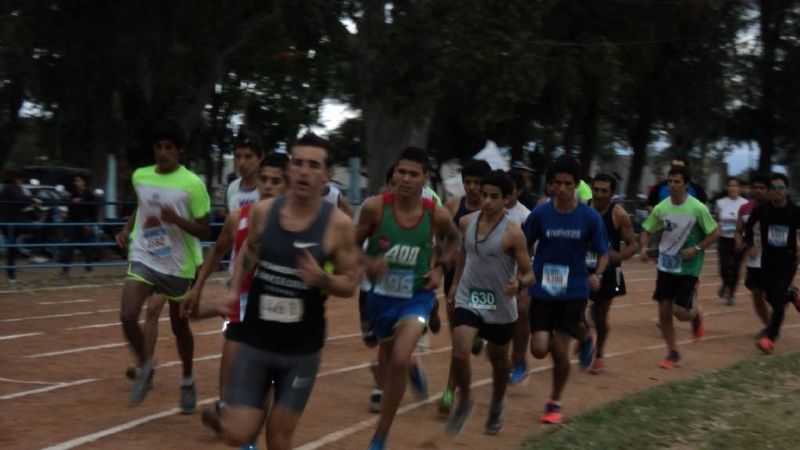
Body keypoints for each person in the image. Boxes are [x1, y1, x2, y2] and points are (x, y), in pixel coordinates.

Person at [213, 133, 360, 449]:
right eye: (298, 163)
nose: (304, 171)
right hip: (257, 339)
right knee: (238, 433)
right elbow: (249, 252)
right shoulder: (263, 213)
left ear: (327, 175)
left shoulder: (338, 225)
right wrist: (235, 289)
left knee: (278, 437)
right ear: (290, 169)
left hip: (301, 349)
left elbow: (350, 282)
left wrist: (324, 280)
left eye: (314, 165)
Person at [357, 147, 458, 450]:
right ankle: (389, 413)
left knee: (400, 358)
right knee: (389, 361)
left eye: (413, 174)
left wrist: (440, 268)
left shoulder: (435, 213)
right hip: (380, 299)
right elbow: (348, 246)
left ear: (425, 179)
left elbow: (453, 239)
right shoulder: (375, 208)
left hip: (417, 295)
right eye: (401, 172)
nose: (405, 178)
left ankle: (380, 435)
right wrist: (368, 262)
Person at [187, 153, 289, 441]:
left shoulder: (296, 224)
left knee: (265, 373)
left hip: (276, 306)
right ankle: (227, 410)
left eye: (276, 181)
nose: (268, 187)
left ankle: (243, 419)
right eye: (264, 181)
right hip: (241, 300)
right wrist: (197, 288)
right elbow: (218, 251)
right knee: (230, 357)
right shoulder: (239, 219)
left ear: (287, 185)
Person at [115, 121, 211, 410]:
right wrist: (126, 228)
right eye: (158, 147)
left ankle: (187, 378)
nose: (163, 152)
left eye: (169, 147)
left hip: (178, 265)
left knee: (179, 327)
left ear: (180, 150)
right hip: (145, 256)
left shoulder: (192, 184)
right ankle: (146, 366)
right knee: (128, 314)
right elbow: (142, 205)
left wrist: (178, 220)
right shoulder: (140, 176)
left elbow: (206, 231)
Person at [445, 170, 533, 436]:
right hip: (469, 296)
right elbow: (463, 253)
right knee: (460, 352)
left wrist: (519, 283)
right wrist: (455, 283)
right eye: (484, 195)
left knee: (498, 362)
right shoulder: (466, 222)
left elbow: (529, 272)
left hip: (500, 306)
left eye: (495, 197)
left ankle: (496, 405)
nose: (487, 201)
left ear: (507, 199)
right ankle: (466, 399)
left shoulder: (514, 233)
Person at [522, 156, 609, 424]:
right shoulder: (540, 214)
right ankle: (584, 336)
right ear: (551, 185)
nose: (561, 189)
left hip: (574, 290)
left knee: (559, 350)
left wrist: (599, 274)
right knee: (538, 349)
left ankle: (554, 401)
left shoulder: (589, 217)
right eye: (557, 183)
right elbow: (523, 245)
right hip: (543, 289)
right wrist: (524, 272)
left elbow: (603, 252)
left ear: (576, 185)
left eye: (567, 184)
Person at [639, 165, 718, 369]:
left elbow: (714, 232)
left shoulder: (698, 208)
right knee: (664, 310)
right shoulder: (662, 207)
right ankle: (672, 352)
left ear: (686, 184)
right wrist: (644, 247)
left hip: (689, 268)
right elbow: (647, 228)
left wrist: (697, 248)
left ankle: (696, 315)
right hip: (666, 266)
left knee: (680, 312)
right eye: (670, 181)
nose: (673, 185)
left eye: (677, 182)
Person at [439, 158, 491, 412]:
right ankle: (450, 389)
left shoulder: (492, 211)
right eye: (467, 182)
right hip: (455, 280)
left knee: (469, 336)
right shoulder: (451, 206)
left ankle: (479, 335)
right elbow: (442, 239)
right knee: (457, 342)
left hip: (484, 283)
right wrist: (444, 254)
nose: (472, 187)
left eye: (477, 183)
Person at [585, 173, 638, 374]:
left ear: (612, 193)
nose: (599, 194)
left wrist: (619, 256)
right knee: (573, 310)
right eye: (596, 189)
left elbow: (633, 245)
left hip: (610, 271)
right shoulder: (582, 208)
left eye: (604, 191)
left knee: (600, 316)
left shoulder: (619, 214)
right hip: (583, 267)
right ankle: (585, 336)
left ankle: (599, 356)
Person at [744, 173, 800, 354]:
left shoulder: (795, 211)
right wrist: (751, 244)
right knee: (770, 297)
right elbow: (749, 227)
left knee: (777, 301)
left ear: (787, 189)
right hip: (767, 260)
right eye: (774, 188)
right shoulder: (762, 210)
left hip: (788, 259)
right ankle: (793, 296)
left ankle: (769, 337)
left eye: (781, 188)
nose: (777, 192)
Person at [505, 171, 534, 384]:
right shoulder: (487, 213)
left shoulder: (526, 216)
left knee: (521, 312)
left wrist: (524, 276)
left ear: (519, 191)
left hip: (519, 274)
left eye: (510, 191)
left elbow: (534, 250)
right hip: (492, 275)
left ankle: (519, 361)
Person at [735, 173, 771, 330]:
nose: (757, 190)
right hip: (754, 259)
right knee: (756, 295)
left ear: (769, 189)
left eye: (761, 188)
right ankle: (769, 327)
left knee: (773, 295)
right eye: (755, 187)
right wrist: (740, 244)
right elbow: (738, 231)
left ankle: (791, 294)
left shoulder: (777, 206)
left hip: (774, 258)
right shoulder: (745, 209)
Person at [714, 176, 748, 305]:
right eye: (731, 185)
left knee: (735, 268)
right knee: (724, 267)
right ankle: (725, 284)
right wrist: (717, 229)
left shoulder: (745, 203)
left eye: (736, 186)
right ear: (727, 188)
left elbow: (748, 222)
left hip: (740, 239)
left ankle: (731, 295)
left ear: (740, 188)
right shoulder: (720, 203)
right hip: (724, 239)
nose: (733, 188)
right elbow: (717, 219)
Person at [61, 174, 100, 275]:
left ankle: (88, 269)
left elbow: (94, 211)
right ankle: (65, 269)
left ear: (84, 182)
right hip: (74, 223)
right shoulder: (73, 194)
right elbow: (69, 208)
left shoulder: (90, 195)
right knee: (69, 247)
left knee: (86, 248)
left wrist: (90, 224)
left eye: (78, 181)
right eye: (75, 181)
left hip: (85, 224)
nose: (76, 183)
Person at [0, 168, 35, 283]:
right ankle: (11, 272)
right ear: (17, 179)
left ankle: (11, 271)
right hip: (12, 222)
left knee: (12, 247)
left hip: (10, 221)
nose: (22, 182)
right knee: (12, 247)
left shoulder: (7, 187)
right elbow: (21, 200)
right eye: (21, 179)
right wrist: (33, 199)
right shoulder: (12, 188)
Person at [225, 131, 264, 212]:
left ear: (260, 158)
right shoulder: (231, 188)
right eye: (238, 156)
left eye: (248, 156)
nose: (241, 163)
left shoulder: (268, 188)